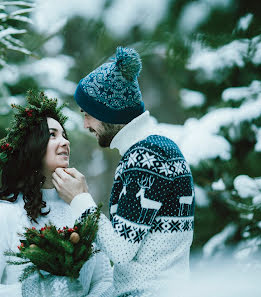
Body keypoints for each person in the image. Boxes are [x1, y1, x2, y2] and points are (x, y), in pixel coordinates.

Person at [52, 47, 195, 297]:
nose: (85, 125)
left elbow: (120, 250)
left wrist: (80, 199)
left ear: (108, 112)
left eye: (88, 115)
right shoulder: (156, 149)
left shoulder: (146, 158)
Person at [0, 91, 113, 297]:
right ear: (32, 146)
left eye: (64, 135)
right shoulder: (3, 214)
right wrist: (39, 292)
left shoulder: (81, 210)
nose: (65, 142)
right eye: (52, 135)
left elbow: (103, 280)